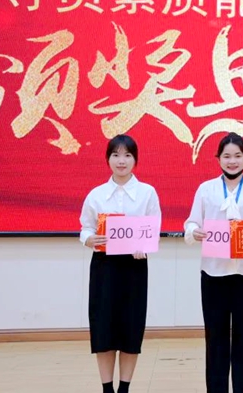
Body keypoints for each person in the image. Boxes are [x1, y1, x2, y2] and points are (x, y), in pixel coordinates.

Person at [184, 132, 243, 393]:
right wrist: (194, 232)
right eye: (227, 156)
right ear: (218, 159)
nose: (232, 161)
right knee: (216, 337)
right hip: (213, 272)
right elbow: (191, 223)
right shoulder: (206, 189)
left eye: (237, 156)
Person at [79, 134, 162, 393]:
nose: (121, 161)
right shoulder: (96, 195)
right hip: (104, 267)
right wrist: (90, 239)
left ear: (135, 160)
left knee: (130, 329)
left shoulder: (147, 193)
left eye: (127, 155)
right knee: (104, 329)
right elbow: (85, 228)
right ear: (108, 159)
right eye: (115, 155)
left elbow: (153, 230)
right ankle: (107, 389)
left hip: (134, 269)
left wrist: (144, 247)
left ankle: (124, 388)